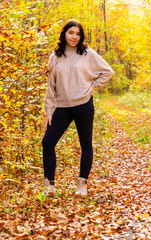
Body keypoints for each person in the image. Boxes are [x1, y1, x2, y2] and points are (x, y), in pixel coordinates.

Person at [42, 19, 114, 196]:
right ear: (64, 34)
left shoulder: (87, 53)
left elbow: (108, 71)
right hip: (63, 107)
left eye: (78, 33)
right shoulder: (54, 57)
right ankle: (49, 186)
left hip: (83, 105)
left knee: (85, 145)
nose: (74, 37)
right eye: (71, 32)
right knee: (47, 141)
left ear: (81, 36)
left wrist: (92, 87)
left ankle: (82, 184)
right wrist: (49, 111)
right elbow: (51, 86)